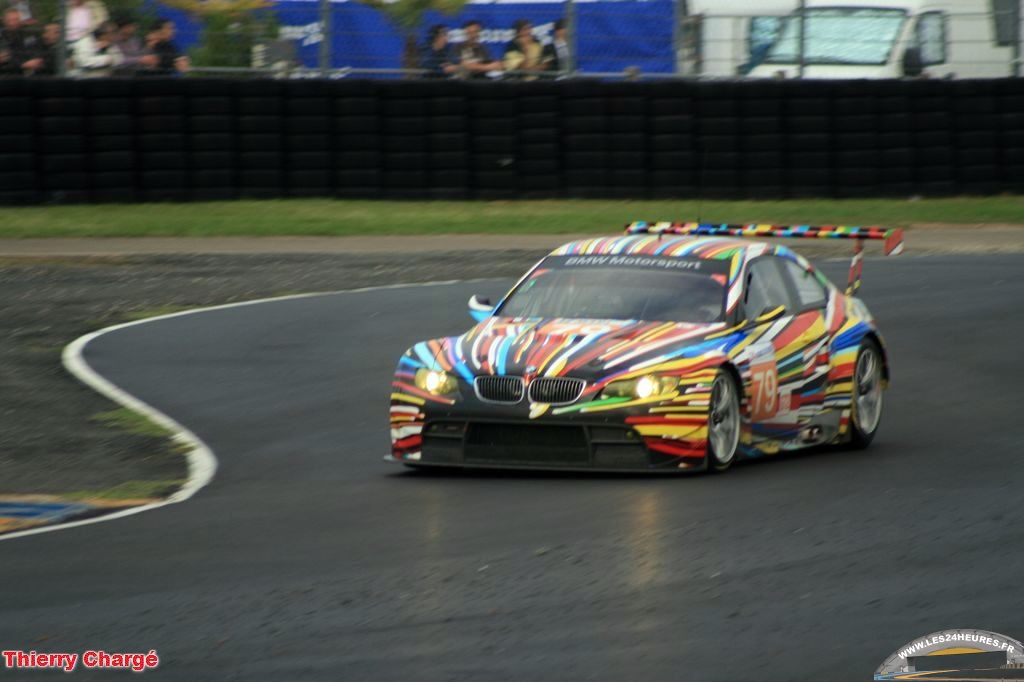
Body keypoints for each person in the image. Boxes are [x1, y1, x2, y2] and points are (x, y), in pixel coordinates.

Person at [0, 7, 42, 75]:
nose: (12, 23)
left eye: (16, 19)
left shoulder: (28, 36)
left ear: (21, 21)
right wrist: (22, 65)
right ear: (5, 21)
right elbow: (5, 57)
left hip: (26, 75)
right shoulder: (2, 37)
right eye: (10, 20)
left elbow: (34, 53)